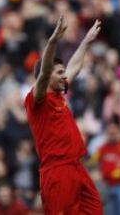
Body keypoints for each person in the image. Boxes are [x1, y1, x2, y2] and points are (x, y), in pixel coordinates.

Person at [24, 16, 103, 214]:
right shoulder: (37, 99)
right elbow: (43, 75)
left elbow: (74, 67)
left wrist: (85, 42)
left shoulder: (59, 95)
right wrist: (53, 41)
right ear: (47, 73)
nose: (64, 76)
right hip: (57, 171)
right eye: (59, 72)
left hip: (76, 166)